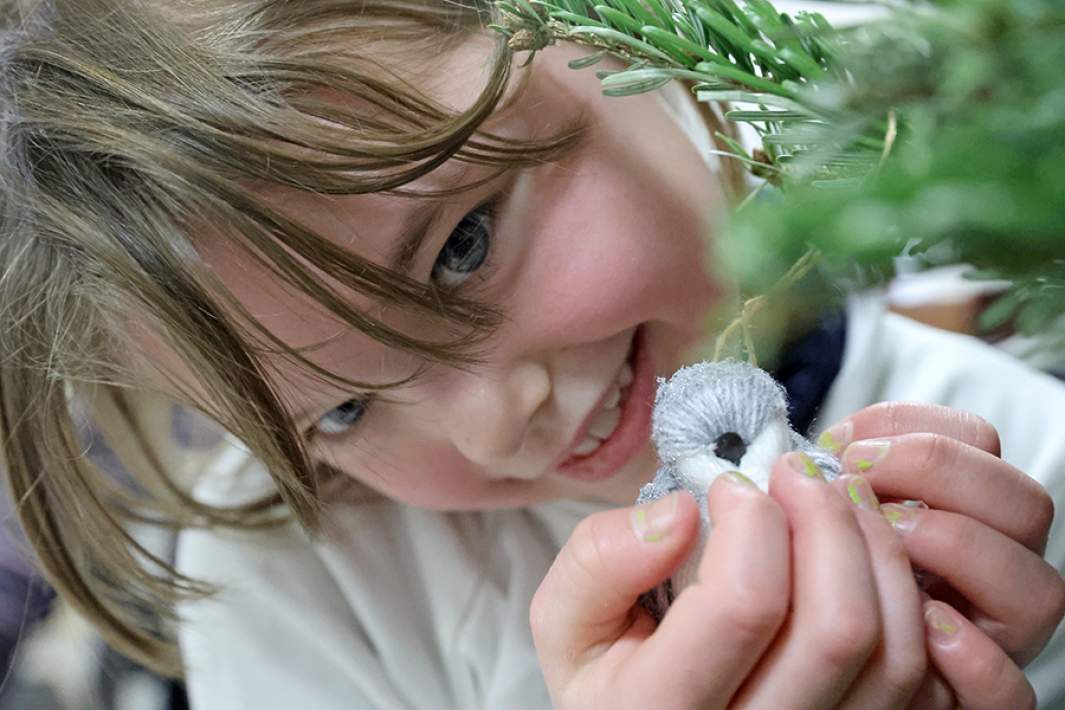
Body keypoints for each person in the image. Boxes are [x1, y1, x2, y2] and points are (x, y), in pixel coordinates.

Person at [1, 1, 1063, 708]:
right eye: (343, 413)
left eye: (462, 246)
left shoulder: (1013, 468)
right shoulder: (298, 585)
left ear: (605, 31)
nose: (488, 425)